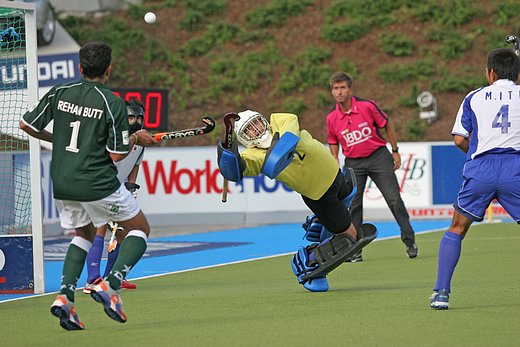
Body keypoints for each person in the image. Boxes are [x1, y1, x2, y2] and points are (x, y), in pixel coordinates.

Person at [19, 42, 158, 330]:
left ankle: (65, 297)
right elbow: (118, 154)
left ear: (80, 68)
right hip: (96, 182)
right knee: (140, 228)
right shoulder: (113, 102)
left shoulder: (59, 92)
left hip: (62, 181)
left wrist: (56, 140)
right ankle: (112, 284)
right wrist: (136, 139)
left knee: (83, 234)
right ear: (108, 70)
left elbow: (26, 125)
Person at [217, 110, 377, 293]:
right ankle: (308, 262)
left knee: (341, 207)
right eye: (250, 130)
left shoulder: (280, 120)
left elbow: (288, 137)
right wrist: (229, 158)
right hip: (320, 195)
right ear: (245, 139)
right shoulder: (255, 156)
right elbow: (240, 169)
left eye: (257, 123)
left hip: (337, 177)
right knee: (350, 238)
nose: (257, 130)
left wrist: (274, 154)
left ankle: (319, 225)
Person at [430, 48, 520, 310]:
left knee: (457, 228)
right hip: (515, 167)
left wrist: (477, 155)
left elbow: (459, 138)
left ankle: (441, 294)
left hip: (481, 167)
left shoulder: (474, 97)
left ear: (490, 72)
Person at [326, 71, 418, 261]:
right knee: (353, 206)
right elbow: (333, 140)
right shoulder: (331, 118)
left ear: (350, 89)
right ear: (332, 92)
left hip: (378, 157)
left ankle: (409, 241)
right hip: (353, 163)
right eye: (336, 88)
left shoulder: (367, 106)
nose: (339, 92)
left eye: (343, 87)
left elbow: (387, 124)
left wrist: (395, 150)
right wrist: (334, 159)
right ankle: (355, 249)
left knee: (393, 199)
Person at [82, 99, 146, 294]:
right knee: (99, 230)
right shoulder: (114, 137)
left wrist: (131, 188)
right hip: (98, 185)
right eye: (131, 117)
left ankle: (112, 277)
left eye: (139, 117)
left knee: (121, 232)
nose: (135, 121)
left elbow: (135, 164)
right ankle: (92, 280)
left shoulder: (140, 143)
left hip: (117, 189)